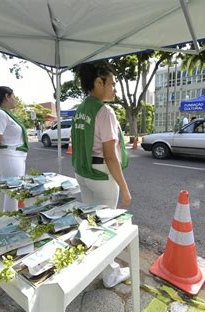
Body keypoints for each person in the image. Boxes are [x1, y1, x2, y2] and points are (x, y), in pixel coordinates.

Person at [71, 62, 131, 288]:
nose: (114, 88)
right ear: (99, 82)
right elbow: (110, 155)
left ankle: (93, 263)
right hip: (102, 175)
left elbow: (76, 144)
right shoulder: (104, 112)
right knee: (105, 227)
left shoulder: (81, 109)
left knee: (90, 222)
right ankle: (110, 274)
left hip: (84, 171)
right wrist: (124, 187)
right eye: (112, 83)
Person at [0, 86, 29, 211]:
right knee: (13, 192)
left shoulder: (4, 113)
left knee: (9, 190)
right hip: (9, 156)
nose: (15, 99)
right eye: (13, 96)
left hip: (13, 156)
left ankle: (4, 218)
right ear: (7, 96)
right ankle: (10, 221)